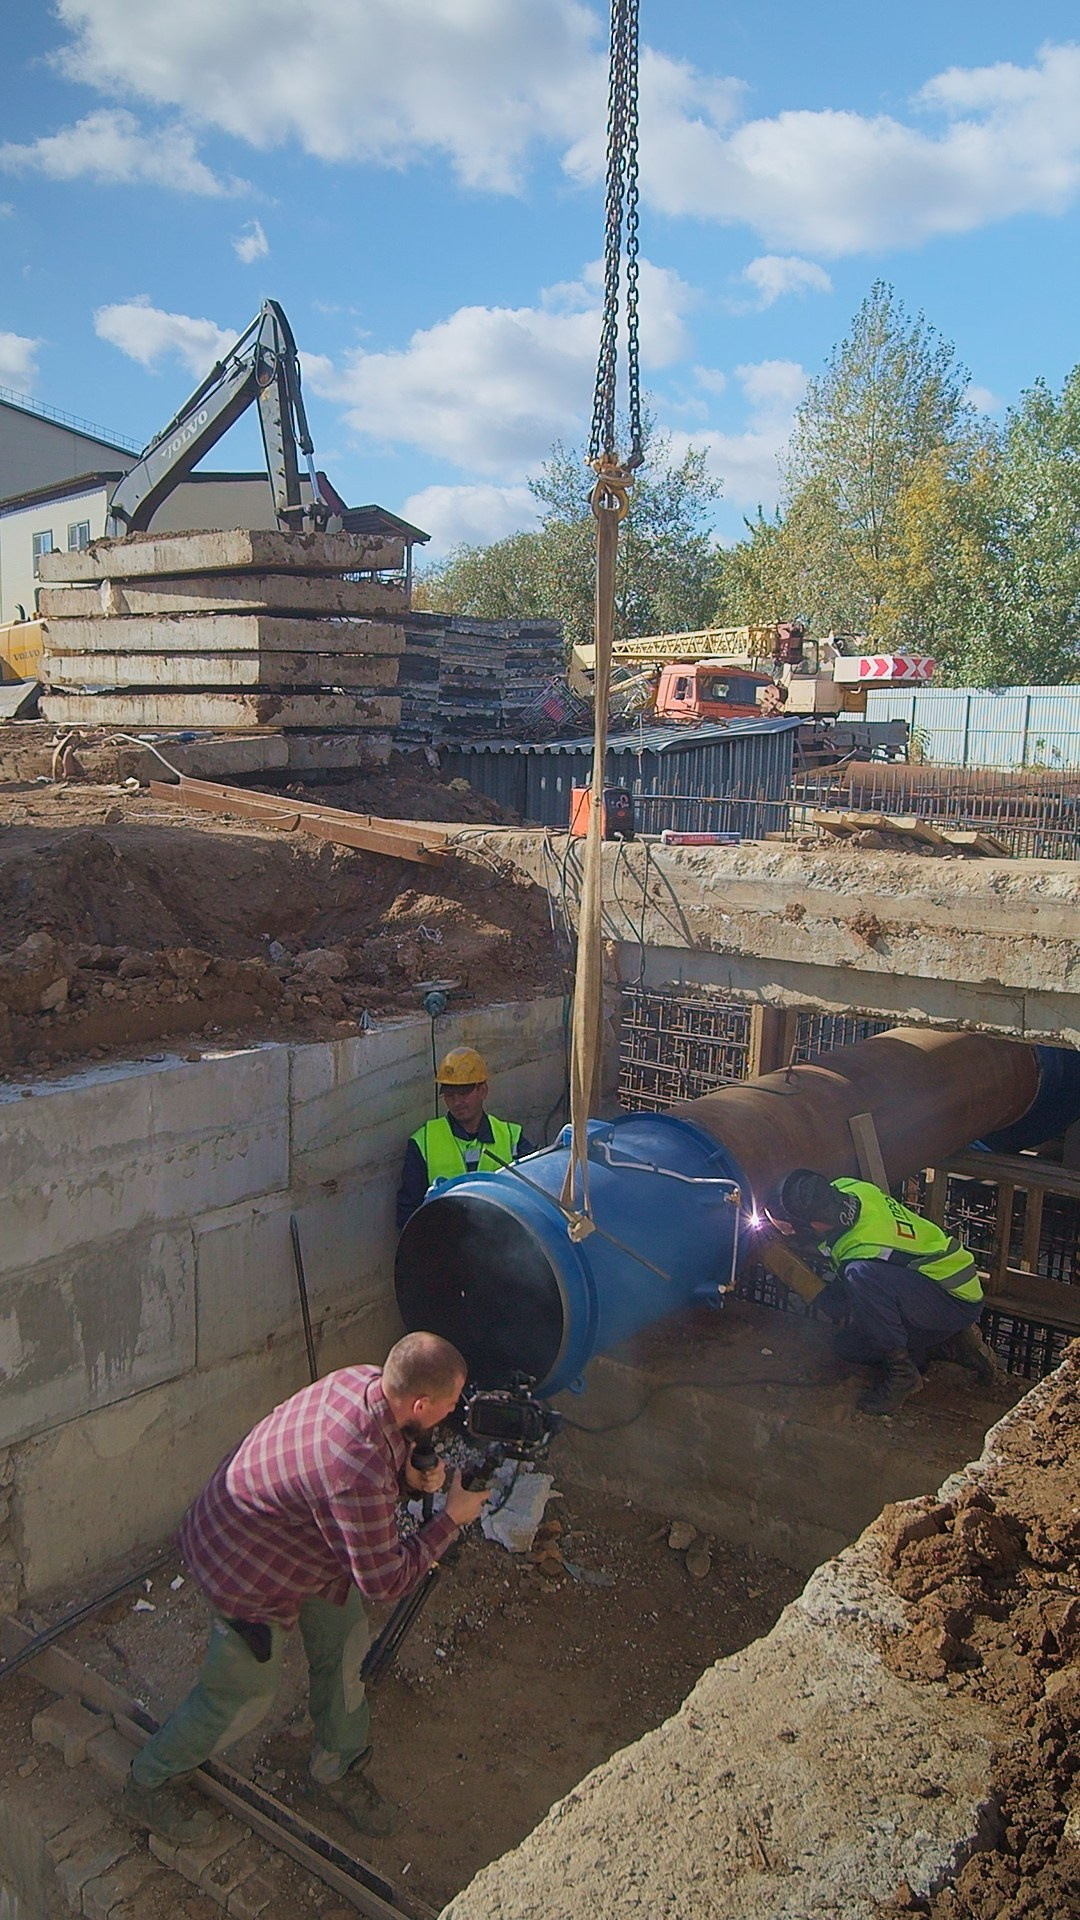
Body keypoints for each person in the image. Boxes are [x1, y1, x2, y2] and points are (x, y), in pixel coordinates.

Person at [120, 1333, 489, 1845]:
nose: (455, 1414)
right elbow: (386, 1581)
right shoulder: (355, 1469)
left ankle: (336, 1767)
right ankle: (149, 1780)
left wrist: (407, 1478)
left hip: (297, 1536)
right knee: (241, 1696)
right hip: (245, 1565)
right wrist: (451, 1518)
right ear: (421, 1404)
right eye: (450, 1405)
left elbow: (367, 1479)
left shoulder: (362, 1380)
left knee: (344, 1645)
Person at [775, 1170, 984, 1415]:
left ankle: (903, 1375)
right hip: (943, 1281)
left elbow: (839, 1304)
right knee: (848, 1347)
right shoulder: (850, 1187)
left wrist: (785, 1266)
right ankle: (946, 1343)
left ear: (814, 1225)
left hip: (953, 1297)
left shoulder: (864, 1248)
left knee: (860, 1277)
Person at [396, 1047, 534, 1229]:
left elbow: (533, 1200)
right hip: (445, 1244)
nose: (457, 1102)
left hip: (501, 1240)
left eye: (464, 1093)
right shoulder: (423, 1142)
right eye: (450, 1095)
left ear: (483, 1090)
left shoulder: (512, 1137)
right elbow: (408, 1212)